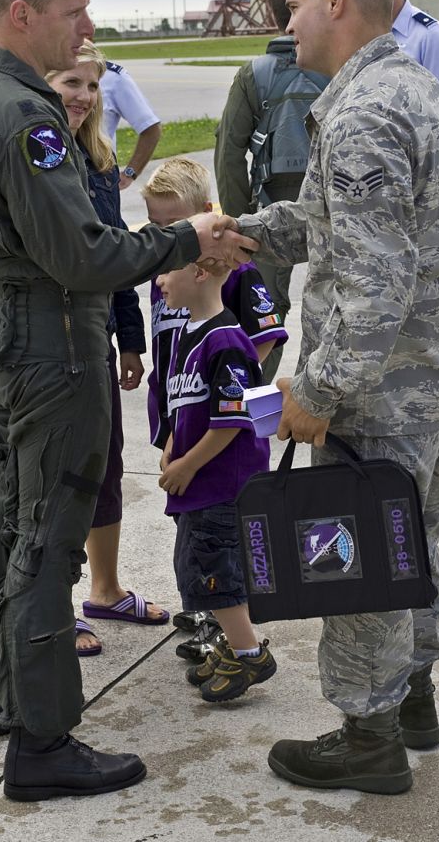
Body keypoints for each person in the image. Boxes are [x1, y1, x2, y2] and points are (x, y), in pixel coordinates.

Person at [0, 0, 257, 802]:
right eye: (73, 10)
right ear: (21, 14)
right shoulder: (27, 117)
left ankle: (3, 696)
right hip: (52, 339)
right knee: (48, 539)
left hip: (9, 331)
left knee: (11, 517)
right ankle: (42, 741)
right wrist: (186, 238)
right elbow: (83, 255)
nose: (87, 26)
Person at [216, 0, 439, 794]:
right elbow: (336, 222)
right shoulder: (412, 87)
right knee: (411, 547)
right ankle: (413, 702)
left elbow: (375, 285)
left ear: (335, 2)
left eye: (293, 4)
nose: (285, 22)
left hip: (378, 390)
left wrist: (318, 392)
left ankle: (369, 737)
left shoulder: (363, 115)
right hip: (433, 374)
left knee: (359, 563)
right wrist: (244, 232)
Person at [45, 41, 169, 657]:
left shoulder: (98, 160)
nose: (84, 96)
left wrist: (131, 340)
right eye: (71, 82)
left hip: (95, 338)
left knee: (104, 463)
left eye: (92, 86)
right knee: (54, 475)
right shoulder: (36, 156)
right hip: (47, 342)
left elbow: (114, 252)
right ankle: (51, 604)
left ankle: (105, 589)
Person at [141, 158, 288, 656]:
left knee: (217, 537)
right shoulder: (170, 279)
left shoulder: (231, 278)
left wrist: (233, 382)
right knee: (194, 530)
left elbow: (261, 339)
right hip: (181, 417)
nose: (166, 238)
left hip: (216, 425)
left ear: (206, 214)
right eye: (156, 226)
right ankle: (210, 611)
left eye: (175, 225)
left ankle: (230, 630)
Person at [155, 259, 277, 702]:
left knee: (214, 573)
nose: (158, 280)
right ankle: (235, 642)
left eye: (167, 271)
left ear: (200, 274)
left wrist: (188, 464)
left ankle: (248, 655)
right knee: (199, 565)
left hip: (223, 484)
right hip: (201, 484)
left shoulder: (226, 340)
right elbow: (186, 405)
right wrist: (173, 443)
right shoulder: (189, 332)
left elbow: (233, 419)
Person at [214, 0, 328, 382]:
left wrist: (239, 224)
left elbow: (229, 152)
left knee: (265, 313)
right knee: (338, 306)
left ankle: (252, 400)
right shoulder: (338, 70)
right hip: (332, 205)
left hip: (269, 206)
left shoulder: (254, 74)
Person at [99, 61, 161, 188]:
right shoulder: (55, 73)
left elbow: (151, 128)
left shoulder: (112, 78)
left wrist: (130, 173)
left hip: (98, 183)